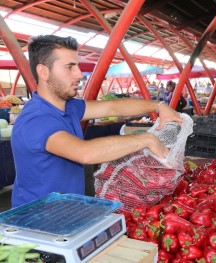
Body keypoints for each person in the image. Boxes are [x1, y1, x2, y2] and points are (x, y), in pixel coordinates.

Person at [11, 35, 182, 208]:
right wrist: (147, 139)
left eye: (77, 66)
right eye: (70, 67)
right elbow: (85, 153)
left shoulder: (69, 107)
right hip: (36, 223)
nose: (79, 74)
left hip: (66, 213)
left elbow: (111, 108)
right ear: (43, 72)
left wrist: (158, 106)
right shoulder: (36, 119)